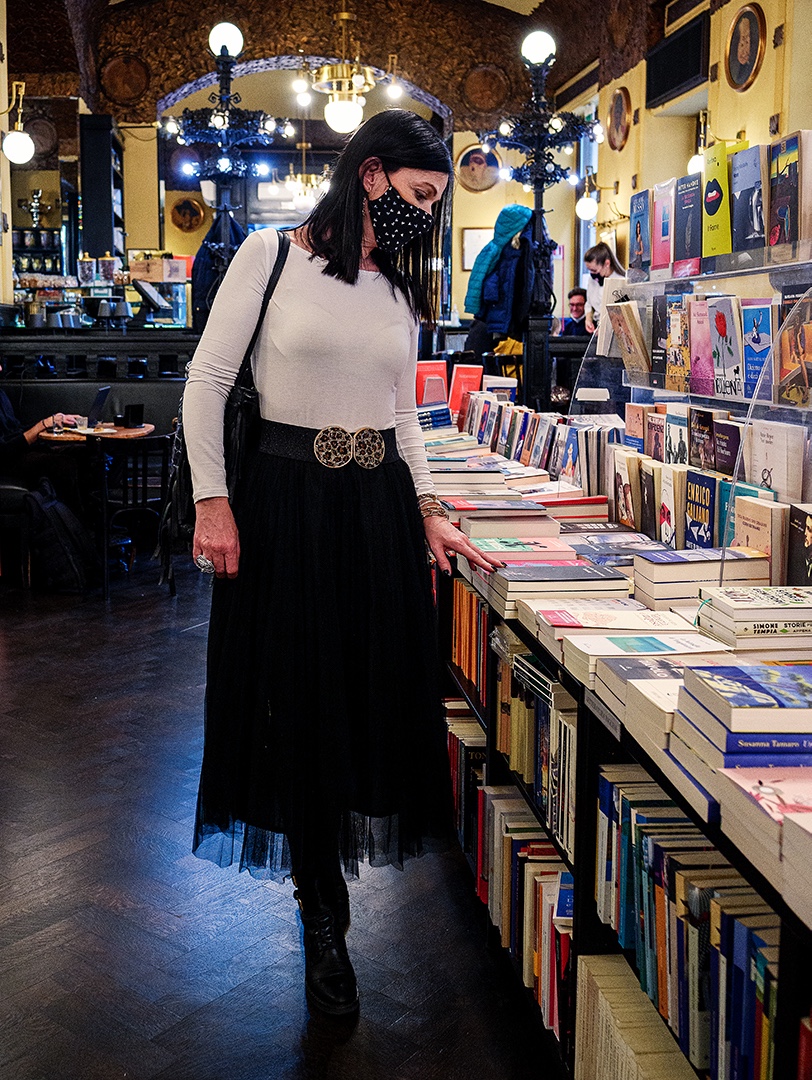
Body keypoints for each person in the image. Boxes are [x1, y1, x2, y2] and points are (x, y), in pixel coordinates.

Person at [183, 110, 502, 1019]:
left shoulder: (397, 292)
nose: (426, 215)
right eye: (418, 195)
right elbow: (206, 382)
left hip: (374, 510)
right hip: (285, 500)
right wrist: (214, 499)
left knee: (368, 693)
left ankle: (331, 891)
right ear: (370, 176)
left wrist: (430, 511)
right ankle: (321, 908)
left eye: (436, 202)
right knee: (300, 693)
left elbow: (404, 421)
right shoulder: (269, 258)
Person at [583, 242, 626, 331]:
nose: (592, 274)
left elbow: (621, 313)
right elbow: (589, 303)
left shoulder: (621, 282)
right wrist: (588, 319)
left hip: (614, 330)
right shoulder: (592, 280)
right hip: (597, 326)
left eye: (594, 270)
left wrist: (604, 328)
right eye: (589, 270)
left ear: (607, 263)